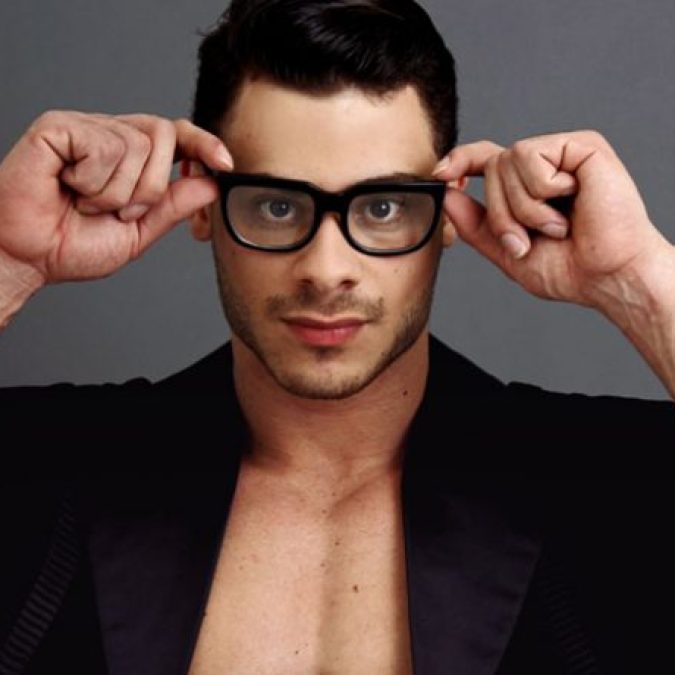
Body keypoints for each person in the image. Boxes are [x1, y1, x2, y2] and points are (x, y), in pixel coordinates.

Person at [0, 1, 673, 673]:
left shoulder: (611, 488)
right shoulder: (47, 468)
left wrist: (637, 279)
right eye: (276, 205)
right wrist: (10, 261)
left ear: (447, 210)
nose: (325, 270)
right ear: (202, 202)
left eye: (382, 206)